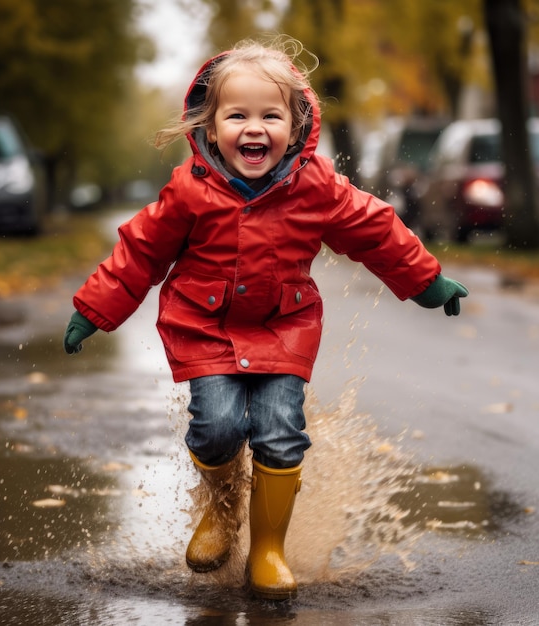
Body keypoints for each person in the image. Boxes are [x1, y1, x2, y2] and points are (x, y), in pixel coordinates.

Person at [63, 36, 468, 601]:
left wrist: (426, 279)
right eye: (237, 115)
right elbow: (142, 250)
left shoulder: (316, 186)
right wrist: (95, 308)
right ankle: (221, 514)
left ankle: (268, 549)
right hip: (203, 328)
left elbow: (376, 229)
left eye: (270, 115)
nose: (254, 128)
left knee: (280, 433)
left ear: (296, 126)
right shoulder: (190, 190)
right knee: (217, 426)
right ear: (209, 125)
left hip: (284, 327)